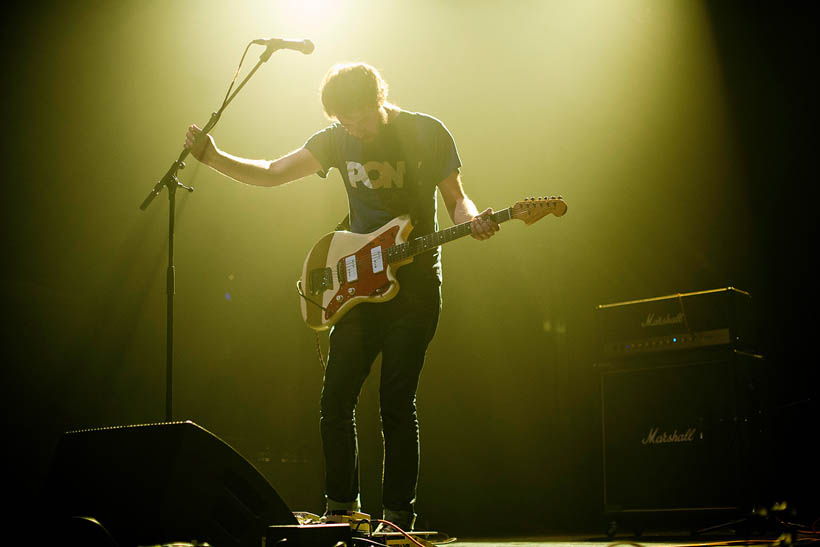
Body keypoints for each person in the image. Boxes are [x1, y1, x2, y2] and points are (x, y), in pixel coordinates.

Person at [184, 62, 499, 530]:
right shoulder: (335, 139)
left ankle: (397, 518)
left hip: (413, 288)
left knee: (395, 400)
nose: (354, 129)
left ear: (379, 100)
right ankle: (342, 509)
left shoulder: (426, 133)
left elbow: (457, 199)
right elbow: (273, 173)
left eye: (360, 119)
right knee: (335, 401)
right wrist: (212, 158)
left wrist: (472, 219)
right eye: (344, 121)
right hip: (356, 283)